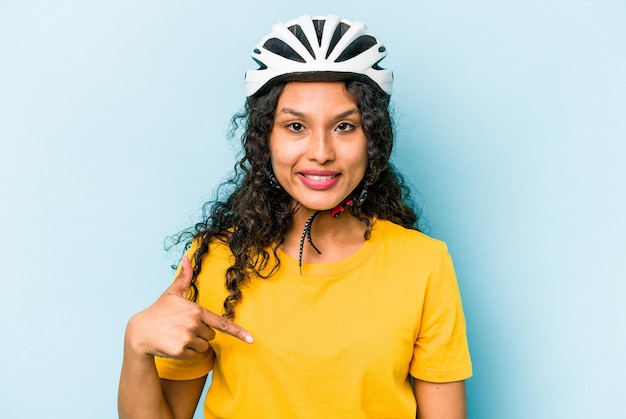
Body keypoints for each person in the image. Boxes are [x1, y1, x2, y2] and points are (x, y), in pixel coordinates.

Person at [118, 14, 472, 419]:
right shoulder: (216, 258)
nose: (320, 151)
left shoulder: (423, 263)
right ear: (265, 137)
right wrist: (136, 347)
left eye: (344, 126)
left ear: (372, 138)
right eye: (295, 126)